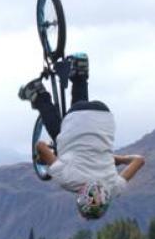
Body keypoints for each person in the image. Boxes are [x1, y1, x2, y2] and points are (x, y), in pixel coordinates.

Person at [18, 53, 145, 220]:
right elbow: (41, 146)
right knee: (61, 134)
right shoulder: (68, 179)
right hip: (75, 120)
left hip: (103, 115)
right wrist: (55, 156)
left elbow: (139, 160)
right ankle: (37, 93)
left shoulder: (114, 188)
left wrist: (115, 159)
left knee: (81, 118)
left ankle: (80, 73)